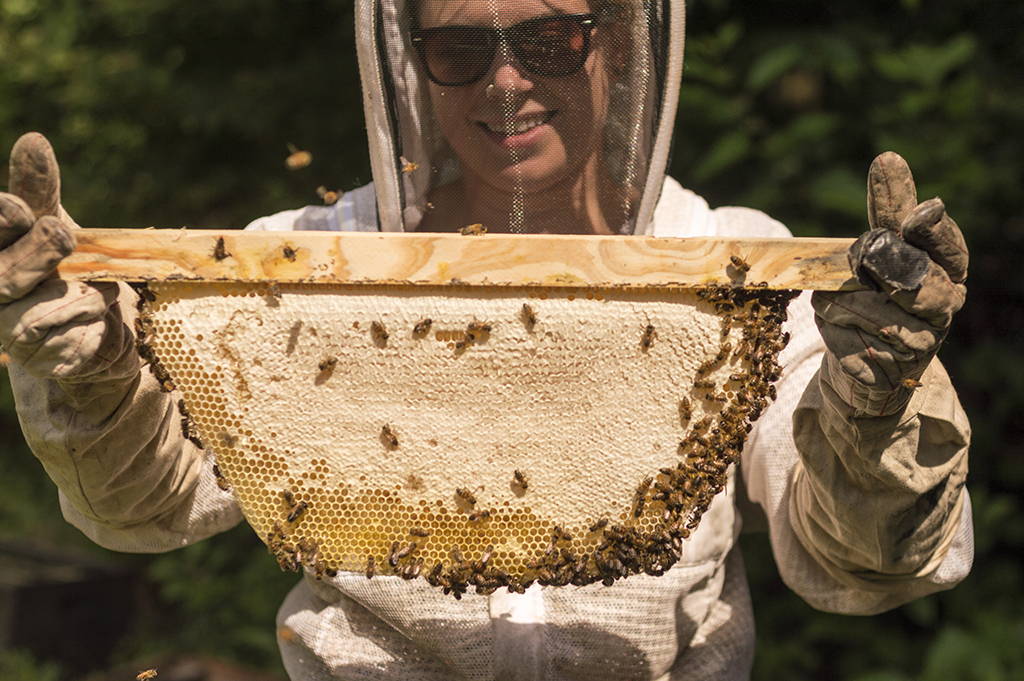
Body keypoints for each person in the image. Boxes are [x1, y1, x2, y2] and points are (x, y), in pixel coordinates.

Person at [0, 0, 972, 679]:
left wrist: (877, 397)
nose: (506, 82)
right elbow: (149, 507)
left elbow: (858, 564)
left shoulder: (734, 265)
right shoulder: (302, 263)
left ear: (621, 46)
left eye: (551, 40)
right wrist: (82, 363)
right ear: (410, 64)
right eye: (459, 52)